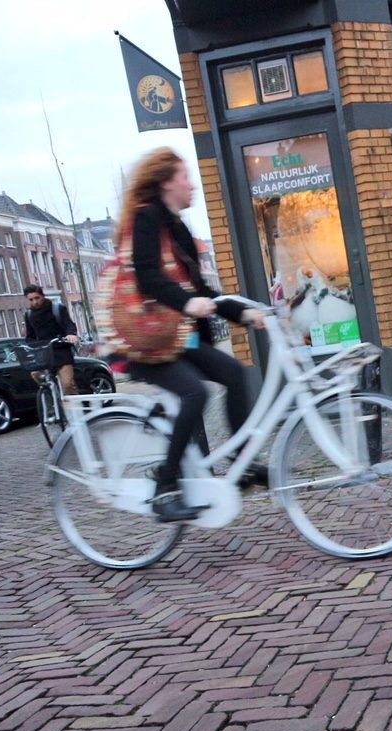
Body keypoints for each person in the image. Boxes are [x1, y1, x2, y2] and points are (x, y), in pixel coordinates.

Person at [118, 147, 266, 523]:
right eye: (186, 177)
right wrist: (186, 305)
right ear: (167, 182)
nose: (193, 186)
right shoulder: (147, 219)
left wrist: (244, 313)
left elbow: (201, 290)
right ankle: (165, 487)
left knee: (235, 374)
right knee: (194, 392)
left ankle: (242, 464)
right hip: (146, 341)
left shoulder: (178, 227)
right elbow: (148, 277)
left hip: (178, 339)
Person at [23, 284, 79, 394]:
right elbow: (30, 336)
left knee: (67, 385)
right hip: (44, 355)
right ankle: (51, 396)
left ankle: (75, 409)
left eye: (37, 298)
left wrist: (71, 334)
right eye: (31, 299)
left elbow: (69, 324)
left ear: (42, 296)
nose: (35, 302)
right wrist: (30, 344)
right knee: (35, 374)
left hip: (62, 352)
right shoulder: (29, 315)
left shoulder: (57, 309)